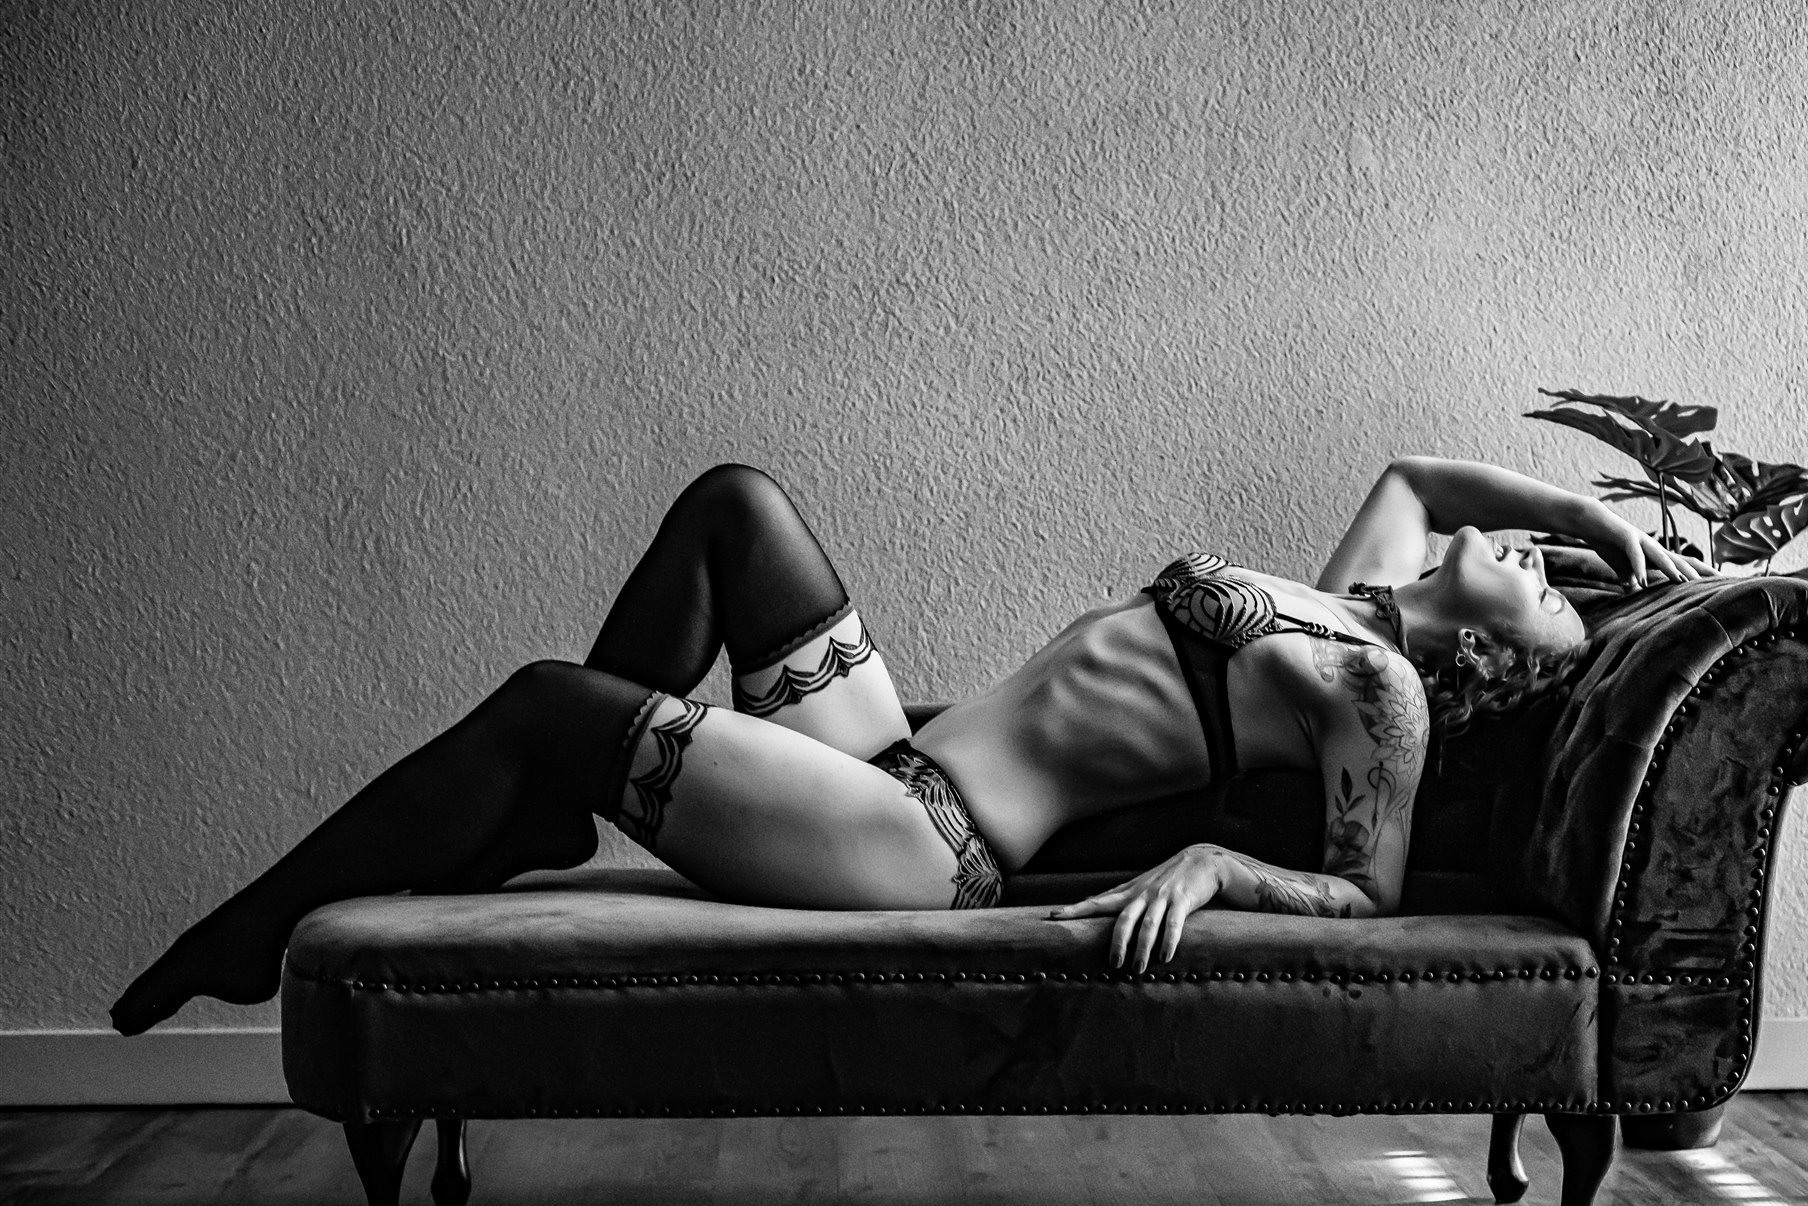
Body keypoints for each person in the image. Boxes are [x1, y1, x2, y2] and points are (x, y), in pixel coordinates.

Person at [109, 456, 1708, 1035]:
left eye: (1546, 583)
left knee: (548, 701)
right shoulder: (1356, 594)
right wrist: (1595, 517)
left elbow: (1371, 894)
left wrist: (1217, 863)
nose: (1537, 554)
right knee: (736, 507)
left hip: (926, 844)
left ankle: (253, 929)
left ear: (1494, 656)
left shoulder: (1384, 699)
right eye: (1544, 553)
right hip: (887, 755)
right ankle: (544, 812)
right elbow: (1422, 473)